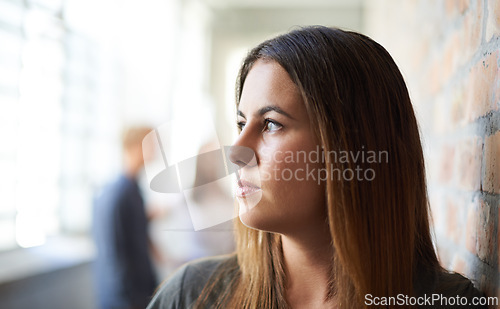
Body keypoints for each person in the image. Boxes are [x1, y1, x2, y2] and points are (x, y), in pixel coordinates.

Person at [147, 27, 486, 308]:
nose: (236, 151)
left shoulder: (446, 302)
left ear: (352, 146)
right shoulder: (191, 296)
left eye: (271, 124)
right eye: (240, 123)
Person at [93, 126, 158, 309]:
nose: (154, 150)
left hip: (135, 292)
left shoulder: (131, 190)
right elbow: (115, 251)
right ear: (136, 147)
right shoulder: (120, 193)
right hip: (125, 298)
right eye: (150, 144)